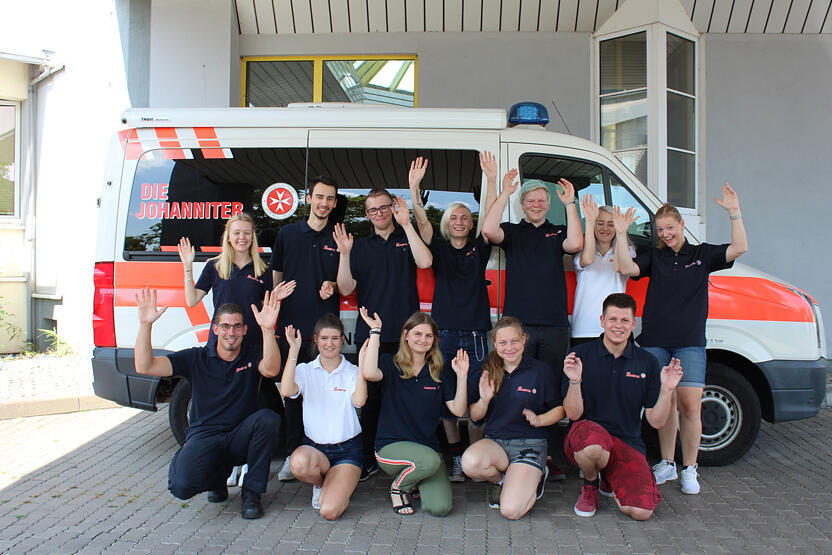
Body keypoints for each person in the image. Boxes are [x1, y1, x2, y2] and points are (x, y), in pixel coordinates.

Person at [614, 183, 749, 495]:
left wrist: (734, 213)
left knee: (689, 405)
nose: (665, 234)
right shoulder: (654, 256)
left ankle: (690, 468)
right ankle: (667, 463)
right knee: (666, 403)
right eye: (660, 229)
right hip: (655, 342)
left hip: (689, 342)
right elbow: (624, 266)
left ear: (682, 225)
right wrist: (622, 232)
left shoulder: (702, 255)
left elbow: (739, 247)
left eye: (670, 227)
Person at [133, 288, 282, 520]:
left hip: (239, 437)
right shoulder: (195, 358)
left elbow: (272, 369)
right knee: (181, 487)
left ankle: (251, 493)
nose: (230, 332)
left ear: (244, 330)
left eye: (236, 326)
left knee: (268, 419)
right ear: (215, 329)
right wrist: (145, 325)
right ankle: (215, 478)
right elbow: (145, 366)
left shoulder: (252, 356)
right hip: (205, 437)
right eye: (225, 326)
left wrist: (267, 329)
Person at [178, 213, 294, 487]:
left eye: (247, 233)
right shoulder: (215, 267)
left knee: (249, 407)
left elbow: (268, 306)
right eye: (236, 233)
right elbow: (192, 300)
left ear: (252, 237)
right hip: (222, 349)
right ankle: (228, 465)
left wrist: (276, 297)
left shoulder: (262, 270)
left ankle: (248, 462)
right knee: (224, 408)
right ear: (228, 237)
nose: (242, 237)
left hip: (252, 350)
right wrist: (186, 268)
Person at [481, 172, 582, 481]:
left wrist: (570, 203)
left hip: (553, 325)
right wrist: (505, 193)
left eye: (541, 200)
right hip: (519, 329)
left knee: (549, 393)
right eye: (530, 200)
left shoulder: (558, 230)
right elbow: (487, 229)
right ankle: (510, 450)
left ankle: (547, 457)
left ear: (548, 204)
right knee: (514, 389)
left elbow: (577, 243)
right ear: (522, 205)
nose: (536, 205)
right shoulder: (512, 232)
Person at [407, 152, 499, 482]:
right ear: (447, 224)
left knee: (475, 398)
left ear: (470, 223)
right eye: (453, 218)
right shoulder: (440, 249)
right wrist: (414, 190)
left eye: (464, 217)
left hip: (475, 335)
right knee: (447, 397)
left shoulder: (480, 247)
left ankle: (474, 457)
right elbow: (421, 223)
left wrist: (490, 180)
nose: (459, 221)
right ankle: (458, 456)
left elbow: (490, 216)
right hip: (443, 334)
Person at [334, 188, 433, 480]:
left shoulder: (407, 237)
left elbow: (425, 262)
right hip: (372, 337)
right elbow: (346, 287)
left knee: (406, 399)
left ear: (392, 208)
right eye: (372, 210)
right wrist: (344, 254)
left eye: (383, 208)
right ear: (366, 214)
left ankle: (408, 457)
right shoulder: (360, 246)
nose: (378, 214)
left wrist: (407, 224)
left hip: (408, 338)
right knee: (371, 401)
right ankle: (367, 458)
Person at [563, 293, 682, 520]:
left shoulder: (647, 361)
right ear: (602, 321)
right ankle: (590, 486)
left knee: (641, 511)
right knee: (593, 445)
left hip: (627, 441)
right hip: (587, 437)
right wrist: (575, 381)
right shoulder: (579, 355)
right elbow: (573, 414)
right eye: (613, 319)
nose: (618, 326)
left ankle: (610, 477)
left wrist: (667, 390)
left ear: (633, 323)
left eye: (625, 320)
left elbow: (656, 422)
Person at [358, 308, 468, 516]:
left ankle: (415, 479)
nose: (423, 340)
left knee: (440, 508)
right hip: (391, 448)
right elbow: (369, 373)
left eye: (428, 336)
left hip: (427, 450)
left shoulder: (440, 371)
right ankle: (398, 488)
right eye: (417, 334)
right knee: (431, 461)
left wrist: (462, 376)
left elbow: (458, 410)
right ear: (405, 335)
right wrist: (375, 332)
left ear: (434, 340)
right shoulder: (390, 364)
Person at [268, 176, 341, 482]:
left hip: (324, 332)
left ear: (335, 204)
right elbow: (276, 276)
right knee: (293, 395)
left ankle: (324, 452)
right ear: (309, 198)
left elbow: (345, 279)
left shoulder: (339, 237)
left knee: (324, 395)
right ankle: (293, 452)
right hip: (292, 330)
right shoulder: (287, 234)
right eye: (319, 197)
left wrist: (332, 285)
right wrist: (275, 312)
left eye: (330, 199)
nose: (324, 203)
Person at [461, 317, 565, 520]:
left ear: (524, 339)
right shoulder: (488, 370)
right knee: (470, 463)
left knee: (510, 511)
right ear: (495, 343)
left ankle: (534, 475)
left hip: (530, 445)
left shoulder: (540, 370)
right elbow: (475, 417)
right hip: (496, 443)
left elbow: (560, 409)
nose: (509, 347)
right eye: (503, 342)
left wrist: (540, 420)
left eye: (514, 341)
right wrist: (484, 400)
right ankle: (503, 482)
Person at [279, 314, 367, 520]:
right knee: (298, 462)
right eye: (324, 338)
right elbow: (286, 390)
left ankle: (337, 483)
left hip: (347, 450)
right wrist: (293, 351)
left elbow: (360, 401)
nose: (330, 344)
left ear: (342, 340)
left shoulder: (352, 371)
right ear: (316, 339)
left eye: (335, 338)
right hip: (315, 449)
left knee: (329, 511)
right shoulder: (305, 370)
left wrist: (363, 366)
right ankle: (319, 483)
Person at [571, 198, 636, 346]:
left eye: (611, 224)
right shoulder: (581, 250)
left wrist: (621, 232)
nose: (605, 228)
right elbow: (587, 259)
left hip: (616, 328)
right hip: (584, 328)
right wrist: (589, 222)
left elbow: (622, 267)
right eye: (600, 223)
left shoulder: (627, 251)